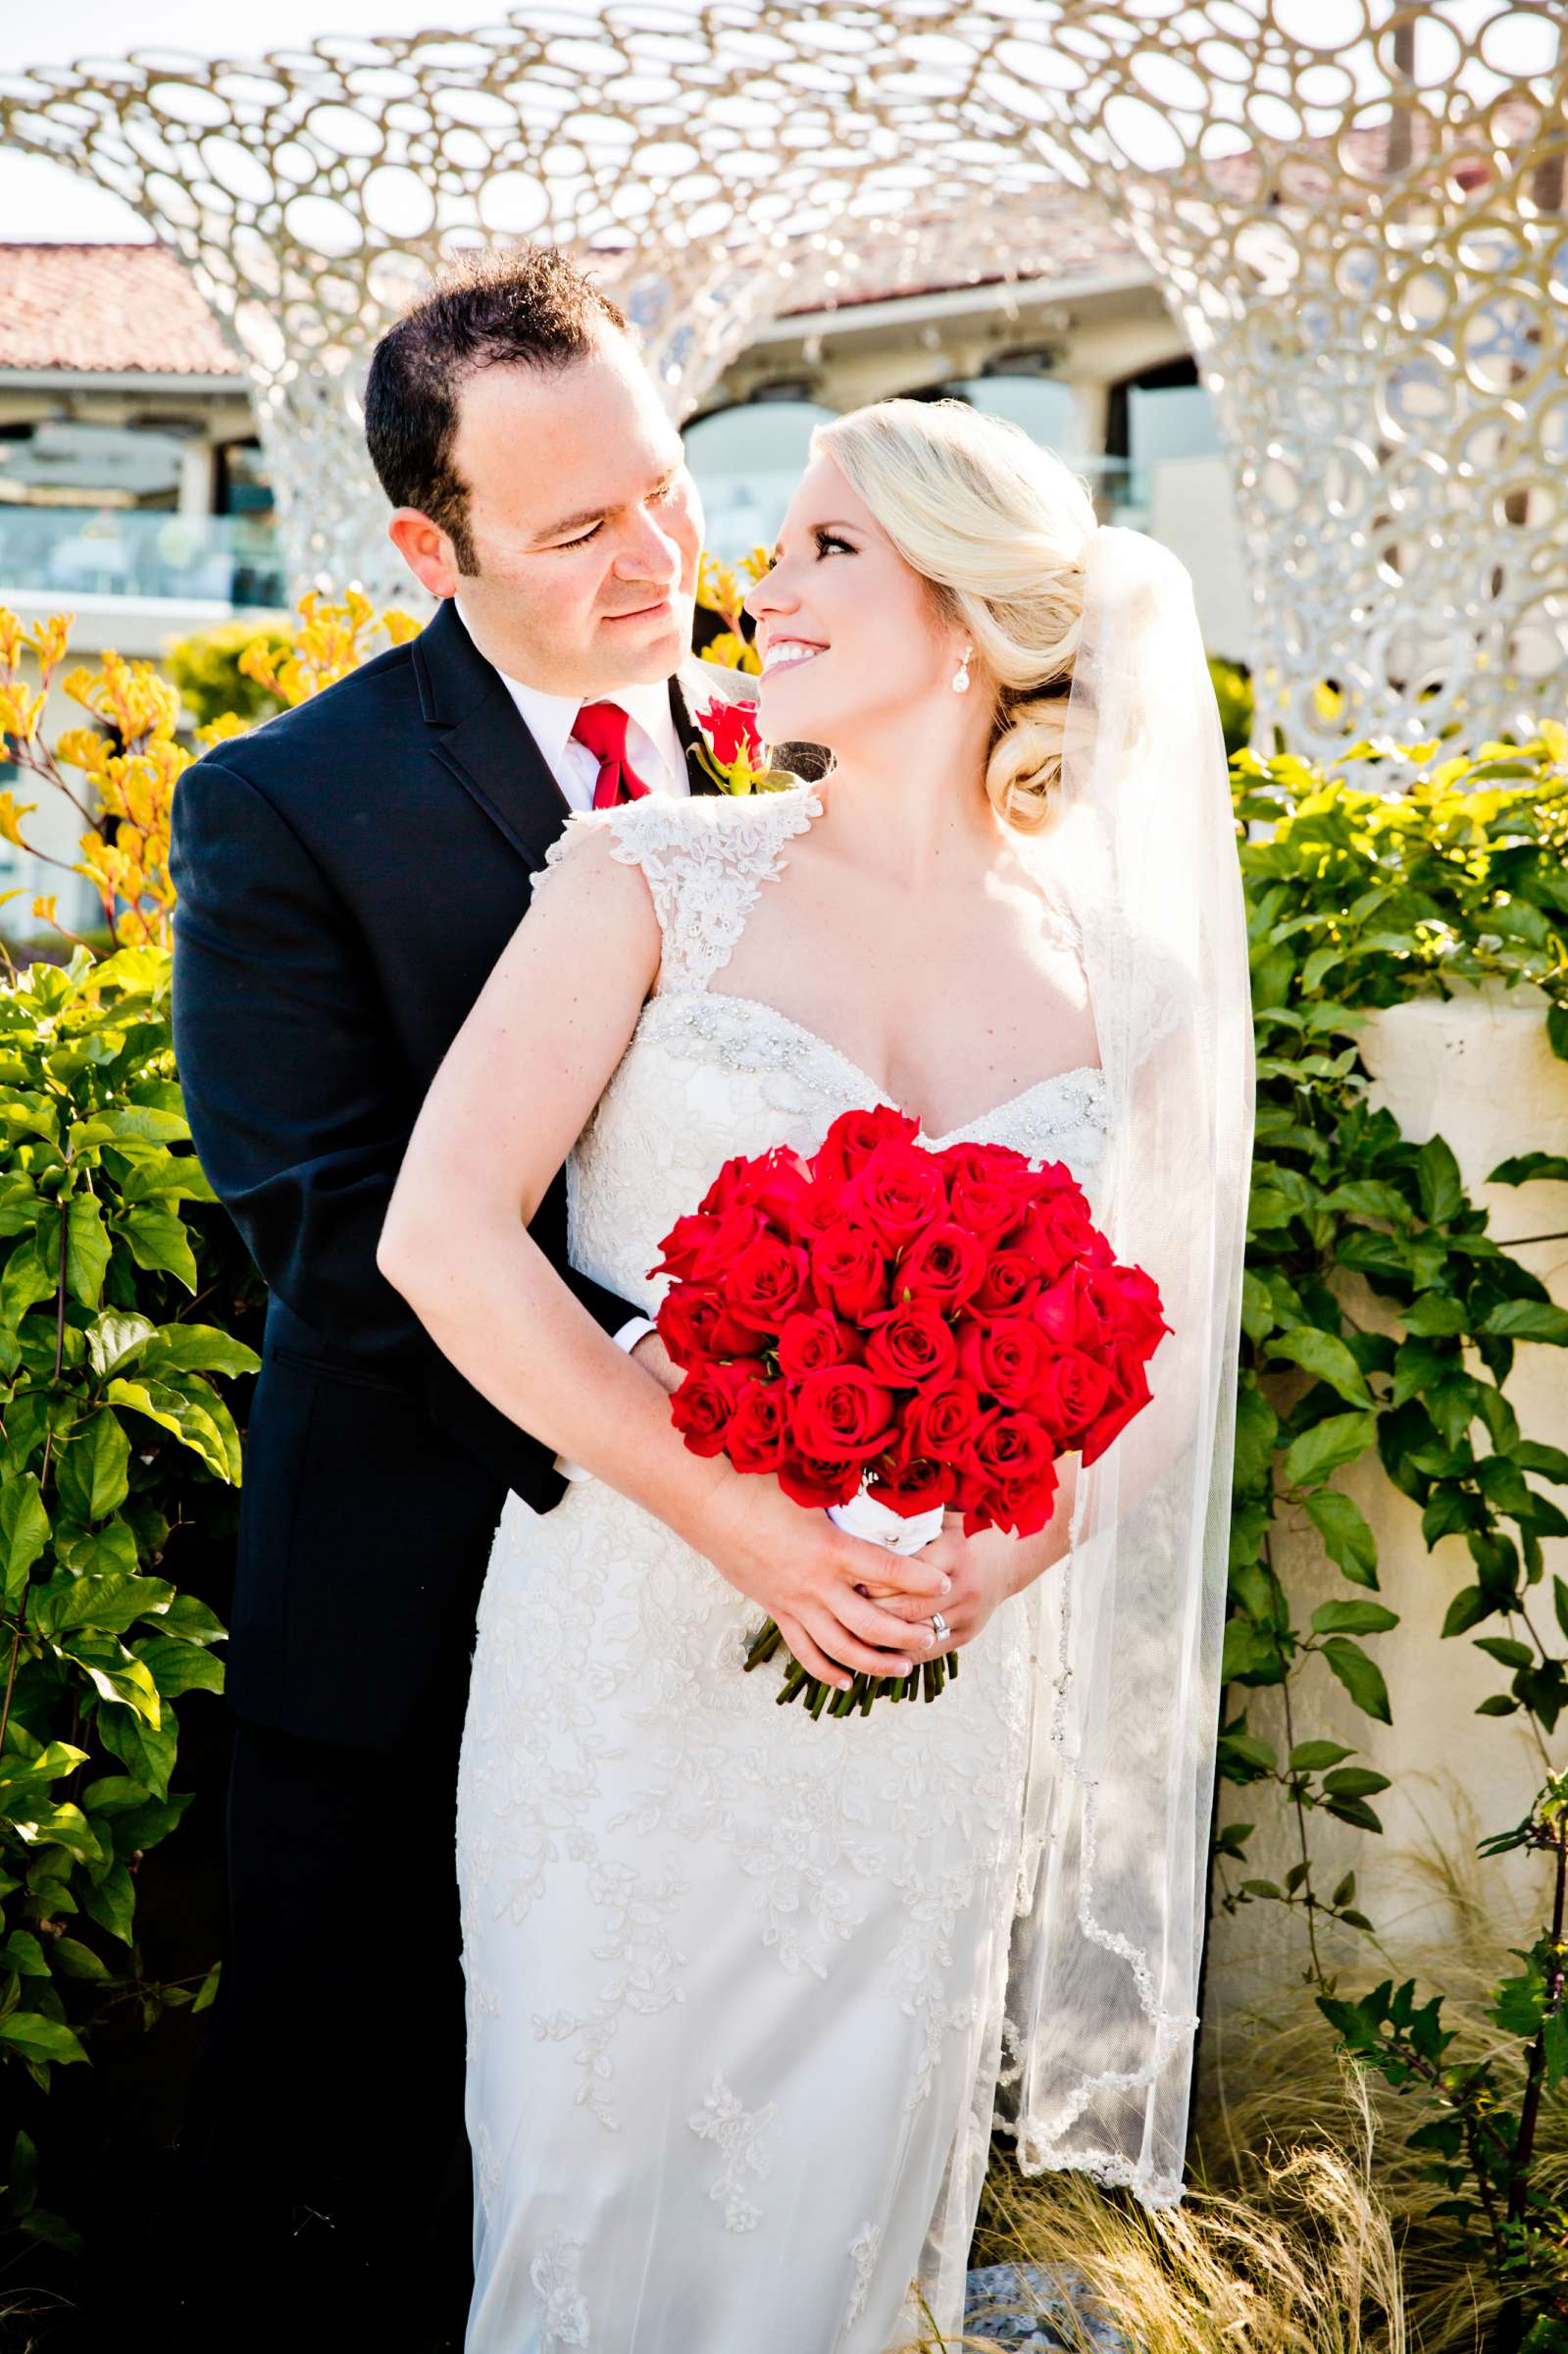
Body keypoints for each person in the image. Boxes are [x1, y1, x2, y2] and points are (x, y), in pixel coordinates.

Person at [380, 395, 1253, 2348]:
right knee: (580, 2192)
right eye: (771, 547)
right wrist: (729, 1512)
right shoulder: (644, 879)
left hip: (920, 1695)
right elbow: (439, 1235)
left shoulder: (1137, 985)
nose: (753, 586)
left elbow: (1149, 1366)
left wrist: (989, 1561)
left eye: (824, 550)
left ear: (973, 614)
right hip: (623, 1655)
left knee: (847, 2225)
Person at [167, 243, 911, 2342]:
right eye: (578, 528)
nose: (655, 556)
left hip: (725, 1603)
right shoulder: (282, 807)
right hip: (411, 1576)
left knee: (637, 2104)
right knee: (336, 2118)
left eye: (666, 491)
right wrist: (713, 1407)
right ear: (431, 542)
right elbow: (328, 1222)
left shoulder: (798, 755)